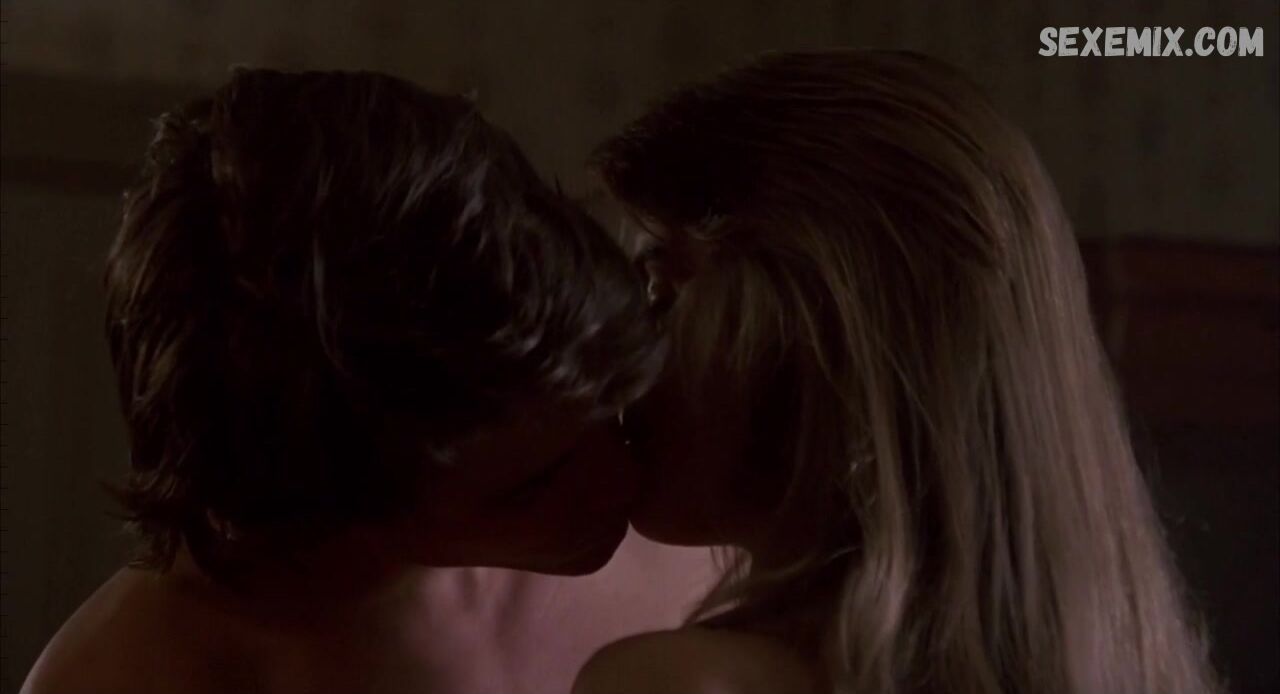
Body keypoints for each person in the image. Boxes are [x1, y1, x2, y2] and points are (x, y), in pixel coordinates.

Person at [22, 68, 712, 694]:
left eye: (612, 406)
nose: (622, 479)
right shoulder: (126, 677)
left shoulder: (691, 526)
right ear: (321, 515)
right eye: (529, 487)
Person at [574, 50, 1221, 694]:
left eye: (662, 289)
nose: (625, 346)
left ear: (813, 323)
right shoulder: (1136, 670)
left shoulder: (683, 684)